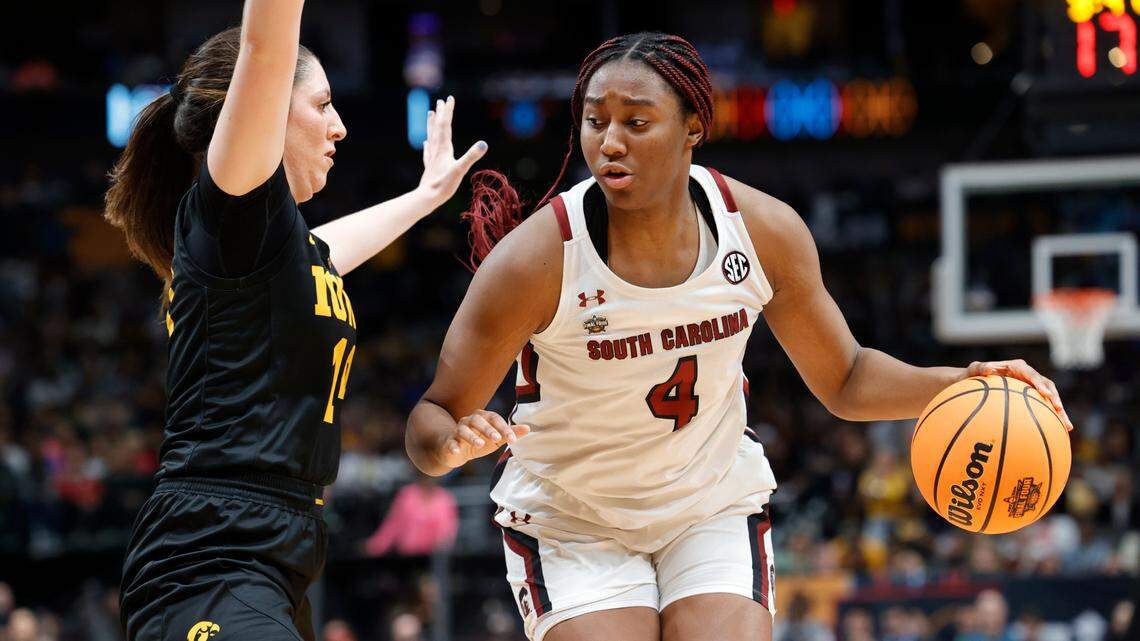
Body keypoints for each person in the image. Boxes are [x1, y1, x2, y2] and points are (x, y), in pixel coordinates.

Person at [405, 32, 1072, 641]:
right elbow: (431, 417)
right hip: (574, 518)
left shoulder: (763, 232)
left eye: (636, 122)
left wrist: (964, 383)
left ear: (694, 126)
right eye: (595, 120)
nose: (610, 141)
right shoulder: (534, 261)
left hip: (709, 503)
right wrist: (448, 447)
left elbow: (844, 378)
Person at [103, 2, 486, 640]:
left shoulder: (280, 256)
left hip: (278, 553)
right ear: (264, 105)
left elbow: (332, 249)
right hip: (209, 554)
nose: (339, 128)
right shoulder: (231, 210)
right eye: (322, 105)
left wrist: (424, 199)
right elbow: (265, 48)